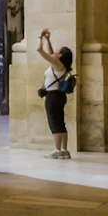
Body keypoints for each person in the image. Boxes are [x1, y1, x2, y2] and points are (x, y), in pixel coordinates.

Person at [35, 28, 75, 159]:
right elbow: (51, 53)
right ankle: (64, 149)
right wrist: (48, 40)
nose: (54, 52)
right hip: (60, 96)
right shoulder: (60, 65)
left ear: (60, 56)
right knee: (60, 122)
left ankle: (57, 150)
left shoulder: (57, 64)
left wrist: (39, 37)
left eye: (58, 52)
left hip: (52, 97)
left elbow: (39, 50)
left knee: (54, 123)